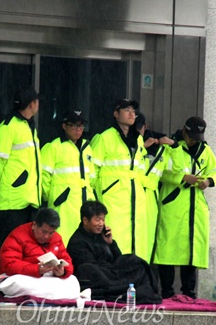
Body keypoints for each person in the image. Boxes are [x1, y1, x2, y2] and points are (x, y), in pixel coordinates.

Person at [154, 116, 216, 299]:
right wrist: (183, 177)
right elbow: (161, 173)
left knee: (191, 250)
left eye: (196, 136)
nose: (193, 140)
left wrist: (208, 181)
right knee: (168, 248)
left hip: (196, 206)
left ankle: (188, 292)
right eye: (191, 135)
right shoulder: (171, 147)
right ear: (184, 131)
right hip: (174, 204)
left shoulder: (204, 149)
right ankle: (167, 291)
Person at [0, 87, 42, 283]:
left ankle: (18, 283)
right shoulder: (8, 126)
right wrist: (0, 188)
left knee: (25, 248)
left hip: (28, 199)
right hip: (12, 199)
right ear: (32, 104)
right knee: (9, 247)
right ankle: (1, 283)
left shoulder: (29, 127)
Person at [67, 200, 162, 303]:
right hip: (99, 277)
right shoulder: (77, 241)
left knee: (134, 261)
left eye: (103, 220)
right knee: (90, 269)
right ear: (85, 220)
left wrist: (110, 243)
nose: (101, 224)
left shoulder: (102, 236)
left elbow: (118, 258)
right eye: (98, 220)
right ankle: (124, 289)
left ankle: (126, 288)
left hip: (111, 274)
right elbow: (90, 267)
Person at [90, 99, 148, 261]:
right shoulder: (104, 138)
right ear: (116, 114)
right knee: (115, 240)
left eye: (134, 111)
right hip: (112, 200)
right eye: (126, 110)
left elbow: (140, 169)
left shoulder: (137, 140)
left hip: (135, 200)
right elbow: (91, 171)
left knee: (135, 241)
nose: (132, 114)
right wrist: (99, 196)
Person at [41, 110, 95, 243]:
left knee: (83, 240)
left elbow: (92, 177)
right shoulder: (54, 147)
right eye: (74, 126)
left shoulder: (87, 148)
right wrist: (52, 197)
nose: (78, 130)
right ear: (64, 126)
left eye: (81, 126)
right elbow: (44, 176)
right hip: (63, 203)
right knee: (63, 238)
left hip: (84, 202)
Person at [133, 111, 178, 262]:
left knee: (147, 237)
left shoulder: (163, 149)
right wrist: (142, 148)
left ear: (145, 127)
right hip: (132, 192)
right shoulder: (130, 145)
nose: (137, 131)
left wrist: (174, 145)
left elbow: (177, 168)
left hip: (150, 197)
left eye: (139, 127)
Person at [0, 208, 73, 279]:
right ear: (34, 225)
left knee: (72, 280)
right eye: (44, 231)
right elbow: (9, 265)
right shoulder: (18, 236)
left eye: (51, 233)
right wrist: (37, 269)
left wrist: (63, 272)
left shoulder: (56, 238)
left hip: (46, 277)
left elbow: (67, 260)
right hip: (22, 277)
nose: (46, 236)